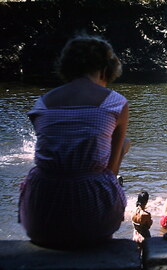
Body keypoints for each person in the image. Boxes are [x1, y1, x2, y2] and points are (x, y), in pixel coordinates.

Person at [18, 35, 129, 248]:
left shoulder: (42, 103)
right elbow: (111, 171)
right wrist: (123, 149)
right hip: (91, 209)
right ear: (107, 69)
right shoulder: (115, 103)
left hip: (39, 211)